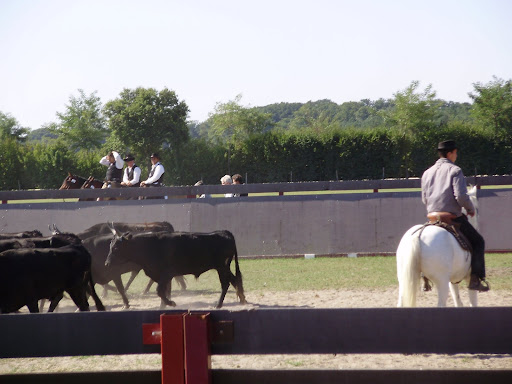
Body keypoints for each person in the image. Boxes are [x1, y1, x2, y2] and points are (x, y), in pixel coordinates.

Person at [421, 140, 489, 292]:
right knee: (478, 241)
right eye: (456, 153)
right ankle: (476, 279)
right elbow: (461, 197)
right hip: (451, 217)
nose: (456, 156)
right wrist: (470, 208)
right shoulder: (455, 170)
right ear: (450, 153)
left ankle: (424, 275)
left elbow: (424, 199)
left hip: (432, 218)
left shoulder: (427, 172)